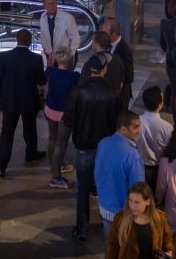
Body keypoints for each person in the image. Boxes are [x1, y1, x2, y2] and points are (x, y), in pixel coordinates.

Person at [64, 52, 126, 243]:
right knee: (106, 188)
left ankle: (82, 229)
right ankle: (106, 223)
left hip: (84, 148)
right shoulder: (114, 92)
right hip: (106, 149)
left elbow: (68, 120)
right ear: (104, 70)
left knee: (82, 189)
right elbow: (120, 123)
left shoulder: (77, 92)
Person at [0, 28, 47, 177]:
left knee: (7, 133)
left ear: (17, 40)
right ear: (30, 41)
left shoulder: (4, 56)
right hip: (29, 100)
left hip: (9, 101)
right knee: (30, 128)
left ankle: (1, 166)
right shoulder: (36, 59)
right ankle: (31, 153)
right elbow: (41, 80)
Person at [95, 111, 147, 244]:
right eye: (135, 127)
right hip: (123, 212)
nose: (139, 131)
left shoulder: (103, 143)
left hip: (104, 207)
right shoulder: (132, 155)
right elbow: (138, 189)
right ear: (123, 129)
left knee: (110, 246)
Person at [107, 181, 174, 259]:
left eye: (136, 202)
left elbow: (168, 242)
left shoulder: (160, 218)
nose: (132, 206)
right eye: (130, 200)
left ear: (148, 201)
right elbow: (112, 247)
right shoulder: (120, 218)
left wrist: (169, 252)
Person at [45, 47, 81, 189]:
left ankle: (53, 164)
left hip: (50, 110)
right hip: (64, 114)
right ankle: (56, 177)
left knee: (52, 139)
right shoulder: (74, 77)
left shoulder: (51, 72)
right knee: (61, 144)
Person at [136, 86, 173, 188]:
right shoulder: (167, 127)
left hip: (140, 166)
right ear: (160, 105)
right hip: (159, 167)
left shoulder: (137, 122)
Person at [39, 0, 79, 67]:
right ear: (44, 6)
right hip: (49, 57)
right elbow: (43, 36)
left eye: (53, 3)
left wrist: (68, 56)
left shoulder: (68, 18)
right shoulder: (42, 17)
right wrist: (47, 53)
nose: (52, 6)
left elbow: (75, 40)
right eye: (49, 4)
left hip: (64, 59)